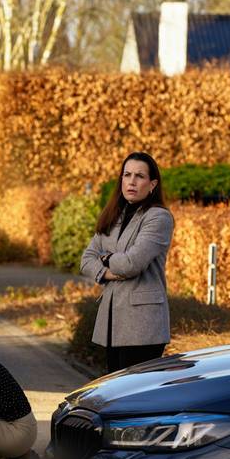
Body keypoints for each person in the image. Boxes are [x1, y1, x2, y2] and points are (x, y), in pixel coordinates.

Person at [80, 152, 174, 373]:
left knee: (135, 399)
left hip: (143, 325)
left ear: (152, 184)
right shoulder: (113, 215)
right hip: (112, 321)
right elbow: (86, 260)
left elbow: (132, 263)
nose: (132, 181)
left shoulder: (158, 217)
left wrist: (105, 258)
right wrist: (107, 273)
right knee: (115, 395)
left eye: (139, 176)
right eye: (127, 174)